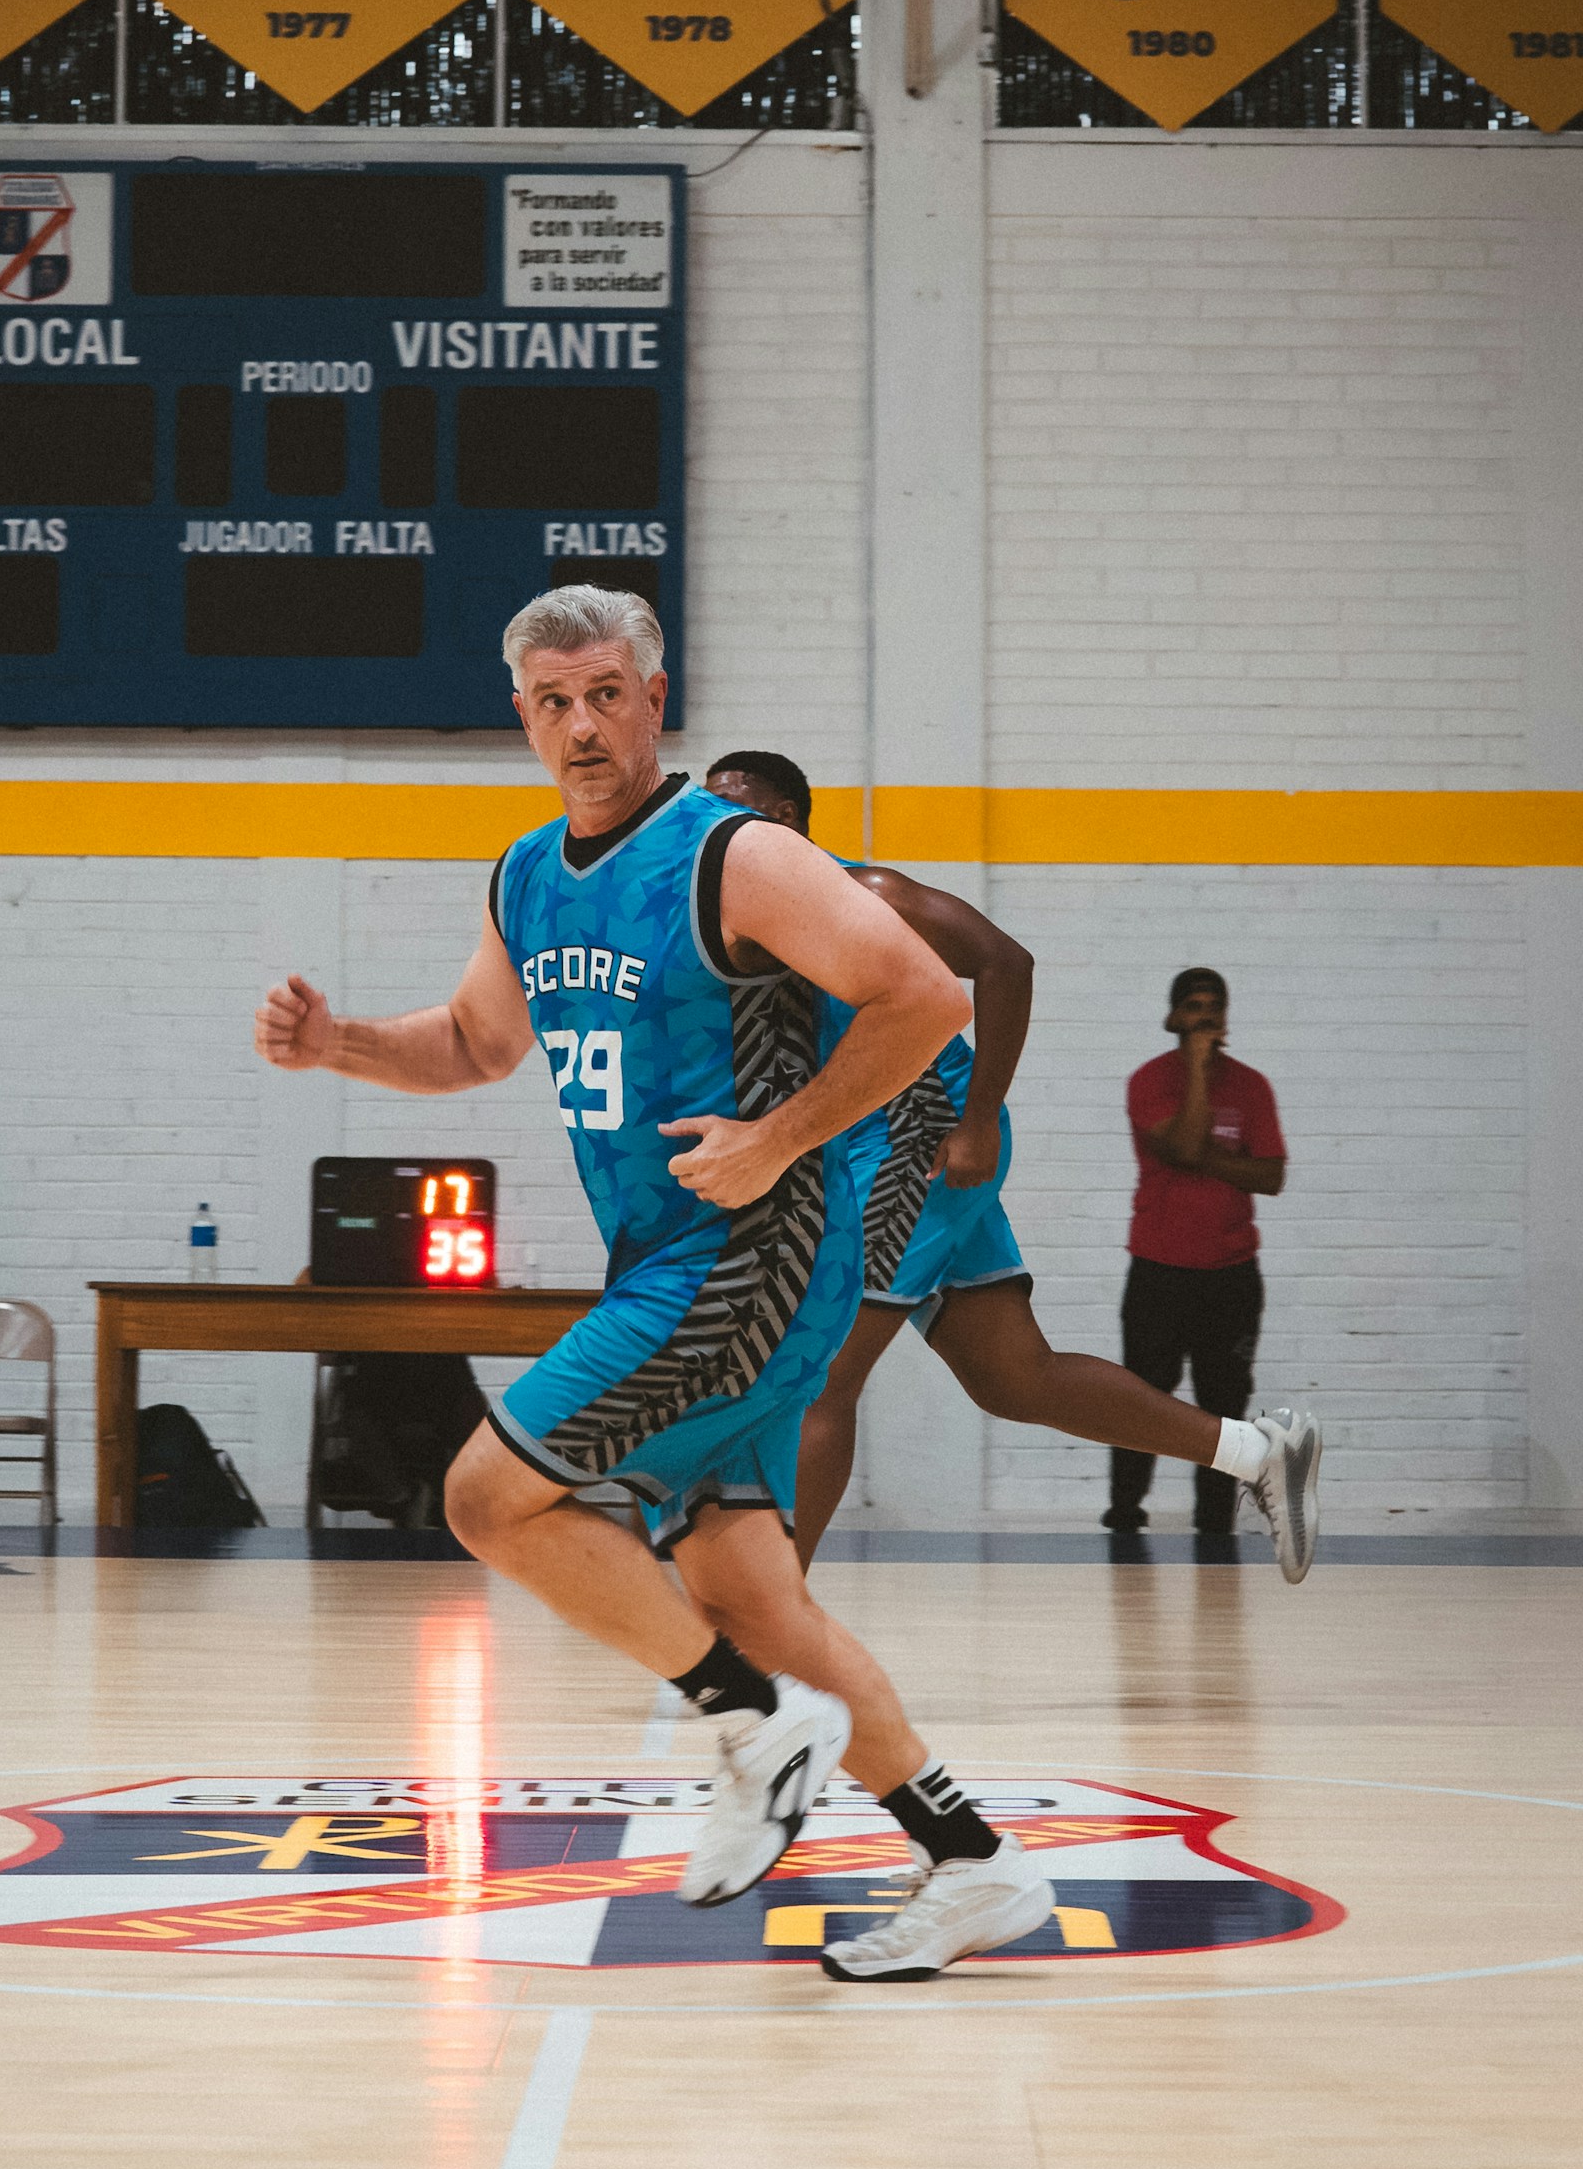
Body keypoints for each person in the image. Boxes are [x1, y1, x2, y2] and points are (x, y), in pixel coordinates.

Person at [255, 588, 1055, 1982]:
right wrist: (341, 1048)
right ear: (523, 714)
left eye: (608, 692)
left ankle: (749, 1725)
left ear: (655, 697)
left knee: (486, 1496)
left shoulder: (729, 854)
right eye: (555, 699)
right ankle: (973, 1858)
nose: (584, 723)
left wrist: (781, 1135)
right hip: (669, 1264)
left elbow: (927, 992)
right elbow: (470, 1041)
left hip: (750, 1261)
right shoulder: (525, 875)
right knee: (752, 1587)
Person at [702, 753, 1319, 1582]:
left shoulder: (866, 895)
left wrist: (980, 1118)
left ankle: (769, 1624)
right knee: (1013, 1378)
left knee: (819, 1375)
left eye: (726, 809)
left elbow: (1005, 963)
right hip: (859, 1151)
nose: (706, 827)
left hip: (921, 1141)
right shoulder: (731, 923)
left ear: (780, 819)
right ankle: (1255, 1452)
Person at [1107, 969, 1301, 1539]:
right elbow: (1188, 1143)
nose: (1205, 1017)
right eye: (1192, 1007)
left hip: (1231, 1276)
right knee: (1141, 1400)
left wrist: (1201, 1160)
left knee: (1223, 1404)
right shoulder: (1149, 1081)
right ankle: (1124, 1516)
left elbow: (1271, 1175)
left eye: (1214, 1007)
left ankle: (1214, 1524)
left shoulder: (1252, 1086)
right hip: (1159, 1271)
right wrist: (1194, 1068)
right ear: (1172, 1018)